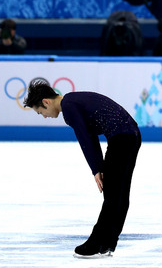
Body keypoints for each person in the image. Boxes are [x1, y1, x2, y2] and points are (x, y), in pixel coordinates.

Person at [23, 81, 141, 257]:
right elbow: (91, 136)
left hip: (122, 139)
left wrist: (96, 169)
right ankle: (108, 243)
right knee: (118, 194)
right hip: (130, 135)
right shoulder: (73, 100)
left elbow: (85, 139)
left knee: (114, 195)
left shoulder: (69, 107)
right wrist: (98, 167)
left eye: (41, 113)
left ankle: (95, 244)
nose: (45, 116)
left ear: (46, 102)